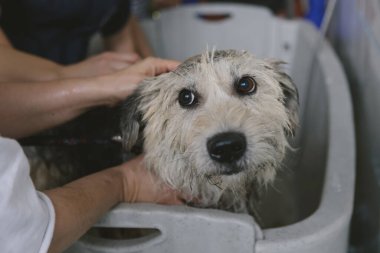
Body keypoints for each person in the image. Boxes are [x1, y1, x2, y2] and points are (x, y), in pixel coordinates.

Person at [0, 3, 185, 253]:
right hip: (33, 130)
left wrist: (110, 87)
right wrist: (69, 76)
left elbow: (123, 38)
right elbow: (30, 231)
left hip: (71, 101)